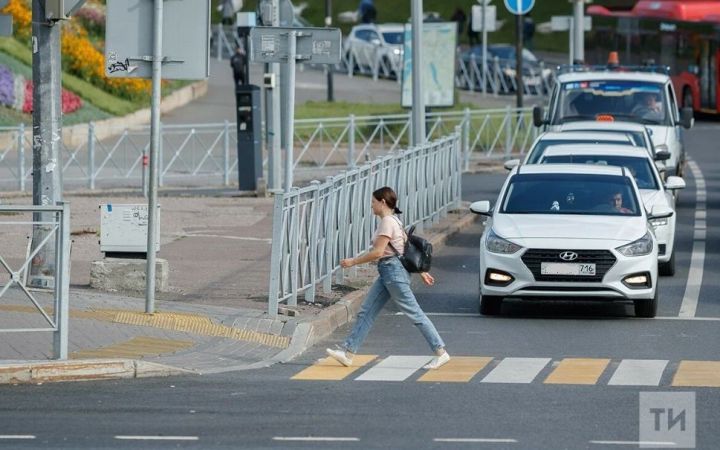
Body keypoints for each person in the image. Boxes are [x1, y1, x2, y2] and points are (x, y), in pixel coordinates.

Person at [326, 187, 451, 370]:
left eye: (373, 203)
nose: (371, 206)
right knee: (366, 312)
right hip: (389, 272)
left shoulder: (387, 222)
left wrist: (352, 262)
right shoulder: (395, 221)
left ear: (382, 202)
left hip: (393, 272)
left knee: (415, 313)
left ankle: (440, 352)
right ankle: (348, 352)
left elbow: (378, 252)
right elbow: (405, 248)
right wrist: (421, 271)